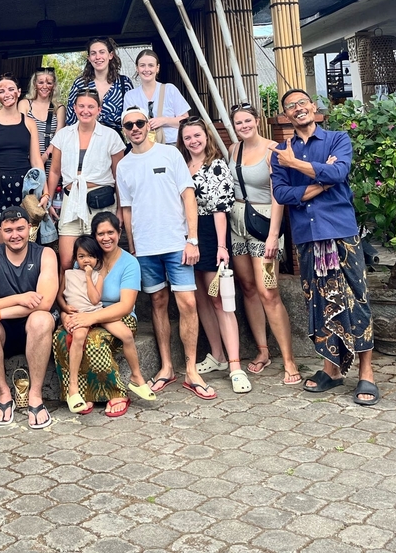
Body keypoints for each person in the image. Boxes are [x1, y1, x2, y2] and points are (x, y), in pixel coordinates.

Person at [270, 89, 379, 406]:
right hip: (307, 235)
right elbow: (283, 193)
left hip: (340, 231)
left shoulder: (337, 139)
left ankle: (366, 373)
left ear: (313, 107)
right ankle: (330, 370)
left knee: (355, 298)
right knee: (318, 301)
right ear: (287, 116)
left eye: (302, 103)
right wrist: (319, 179)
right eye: (291, 106)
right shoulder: (281, 151)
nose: (297, 108)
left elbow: (339, 172)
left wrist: (298, 167)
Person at [117, 107, 216, 400]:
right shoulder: (123, 166)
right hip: (145, 248)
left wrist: (193, 239)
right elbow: (126, 207)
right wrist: (132, 244)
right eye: (128, 125)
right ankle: (167, 368)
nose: (134, 128)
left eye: (139, 123)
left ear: (148, 125)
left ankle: (192, 371)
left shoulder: (169, 154)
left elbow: (188, 195)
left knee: (187, 302)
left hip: (176, 242)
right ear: (124, 130)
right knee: (158, 303)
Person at [227, 103, 301, 385]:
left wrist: (274, 235)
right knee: (247, 286)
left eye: (247, 121)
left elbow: (278, 194)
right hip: (237, 222)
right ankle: (262, 350)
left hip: (264, 223)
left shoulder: (273, 150)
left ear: (257, 121)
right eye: (238, 123)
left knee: (268, 290)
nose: (243, 126)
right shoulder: (234, 150)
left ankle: (289, 359)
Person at [178, 118, 251, 394]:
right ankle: (217, 355)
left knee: (220, 299)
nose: (193, 141)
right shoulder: (181, 166)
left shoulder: (217, 165)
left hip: (210, 231)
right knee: (200, 298)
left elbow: (221, 209)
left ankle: (235, 365)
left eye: (197, 135)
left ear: (206, 137)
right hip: (185, 233)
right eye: (187, 138)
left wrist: (222, 246)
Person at [0, 206, 59, 429]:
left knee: (41, 318)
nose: (15, 235)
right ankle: (4, 394)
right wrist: (20, 298)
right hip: (3, 331)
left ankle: (35, 396)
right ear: (0, 231)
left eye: (20, 228)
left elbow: (44, 303)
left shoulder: (45, 254)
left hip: (35, 328)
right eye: (8, 230)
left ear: (30, 228)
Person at [53, 211, 142, 418]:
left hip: (118, 316)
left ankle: (116, 392)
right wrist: (66, 315)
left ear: (119, 232)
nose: (106, 237)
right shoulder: (87, 257)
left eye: (110, 232)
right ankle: (80, 392)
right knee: (62, 337)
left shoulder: (129, 263)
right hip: (84, 313)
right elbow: (71, 292)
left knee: (95, 340)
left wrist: (91, 318)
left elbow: (126, 306)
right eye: (100, 233)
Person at [47, 88, 125, 270]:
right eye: (81, 106)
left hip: (100, 201)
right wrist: (48, 200)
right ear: (74, 108)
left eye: (91, 106)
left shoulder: (111, 136)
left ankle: (102, 297)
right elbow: (55, 172)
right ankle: (65, 298)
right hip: (71, 199)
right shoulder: (64, 135)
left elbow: (119, 176)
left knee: (102, 259)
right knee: (66, 260)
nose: (85, 110)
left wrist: (121, 209)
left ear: (99, 109)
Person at [0, 74, 48, 246]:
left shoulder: (29, 123)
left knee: (25, 245)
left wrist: (46, 192)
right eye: (1, 91)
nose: (7, 94)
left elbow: (36, 161)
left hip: (24, 191)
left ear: (19, 92)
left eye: (11, 89)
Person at [123, 49, 190, 144]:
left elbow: (185, 121)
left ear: (157, 68)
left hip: (172, 145)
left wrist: (164, 120)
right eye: (142, 65)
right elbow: (128, 124)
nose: (146, 69)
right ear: (137, 68)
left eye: (151, 65)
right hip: (144, 146)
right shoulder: (130, 96)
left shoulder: (170, 89)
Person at [66, 36, 133, 132]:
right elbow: (70, 119)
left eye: (102, 52)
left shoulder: (124, 83)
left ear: (110, 55)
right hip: (84, 139)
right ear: (89, 58)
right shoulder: (80, 84)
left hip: (114, 141)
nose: (98, 57)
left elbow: (132, 117)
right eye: (93, 53)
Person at [18, 66, 66, 177]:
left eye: (49, 83)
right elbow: (21, 133)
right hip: (28, 158)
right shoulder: (25, 104)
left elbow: (59, 137)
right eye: (41, 82)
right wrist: (35, 160)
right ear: (35, 84)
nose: (45, 86)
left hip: (51, 158)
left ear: (54, 85)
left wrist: (44, 157)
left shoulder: (59, 108)